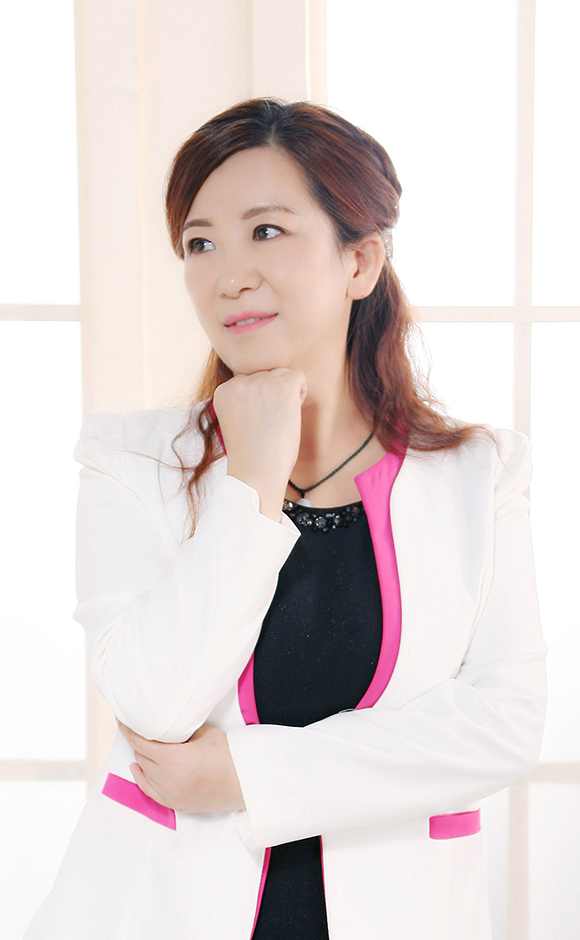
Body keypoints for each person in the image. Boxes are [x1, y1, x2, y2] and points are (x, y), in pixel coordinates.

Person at [24, 98, 547, 940]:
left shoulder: (479, 476)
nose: (229, 276)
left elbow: (504, 727)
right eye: (200, 244)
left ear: (360, 260)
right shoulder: (127, 461)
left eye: (266, 231)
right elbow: (154, 703)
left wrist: (249, 774)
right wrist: (253, 482)